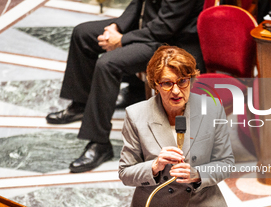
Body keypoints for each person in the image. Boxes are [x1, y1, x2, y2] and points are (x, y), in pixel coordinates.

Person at [46, 0, 205, 173]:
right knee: (82, 33)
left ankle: (99, 144)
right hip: (148, 30)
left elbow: (165, 28)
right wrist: (116, 27)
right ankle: (81, 104)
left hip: (171, 43)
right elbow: (138, 3)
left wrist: (121, 39)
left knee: (107, 64)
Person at [119, 46, 234, 207]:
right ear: (155, 84)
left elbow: (226, 163)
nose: (176, 91)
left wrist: (197, 174)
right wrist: (154, 167)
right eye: (167, 83)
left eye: (182, 81)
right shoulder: (136, 115)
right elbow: (125, 173)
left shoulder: (212, 108)